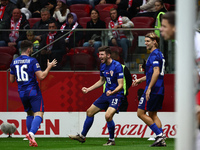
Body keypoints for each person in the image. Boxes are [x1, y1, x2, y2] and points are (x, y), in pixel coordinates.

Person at [69, 46, 124, 146]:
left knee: (108, 115)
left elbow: (121, 85)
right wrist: (88, 89)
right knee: (89, 112)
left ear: (108, 55)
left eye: (102, 54)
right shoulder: (102, 65)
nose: (100, 56)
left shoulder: (117, 65)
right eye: (99, 54)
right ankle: (82, 136)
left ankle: (111, 140)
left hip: (116, 95)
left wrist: (112, 92)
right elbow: (101, 81)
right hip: (106, 94)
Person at [9, 40, 57, 147]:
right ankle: (31, 133)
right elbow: (42, 76)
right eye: (31, 49)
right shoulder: (32, 60)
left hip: (21, 93)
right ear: (29, 49)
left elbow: (11, 80)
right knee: (39, 113)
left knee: (29, 113)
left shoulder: (14, 62)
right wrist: (49, 66)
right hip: (33, 91)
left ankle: (30, 137)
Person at [132, 32, 166, 147]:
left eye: (148, 41)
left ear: (154, 42)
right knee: (153, 115)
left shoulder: (154, 55)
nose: (145, 43)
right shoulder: (158, 54)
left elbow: (156, 72)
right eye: (145, 41)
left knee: (140, 113)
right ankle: (160, 140)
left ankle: (160, 135)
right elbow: (153, 73)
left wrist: (149, 88)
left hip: (154, 88)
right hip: (159, 88)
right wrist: (140, 80)